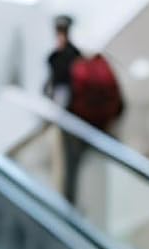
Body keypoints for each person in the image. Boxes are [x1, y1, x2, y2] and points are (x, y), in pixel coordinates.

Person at [46, 16, 123, 206]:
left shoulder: (58, 57)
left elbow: (57, 92)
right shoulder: (79, 55)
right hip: (94, 123)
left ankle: (69, 208)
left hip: (72, 121)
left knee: (71, 168)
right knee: (95, 169)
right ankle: (84, 213)